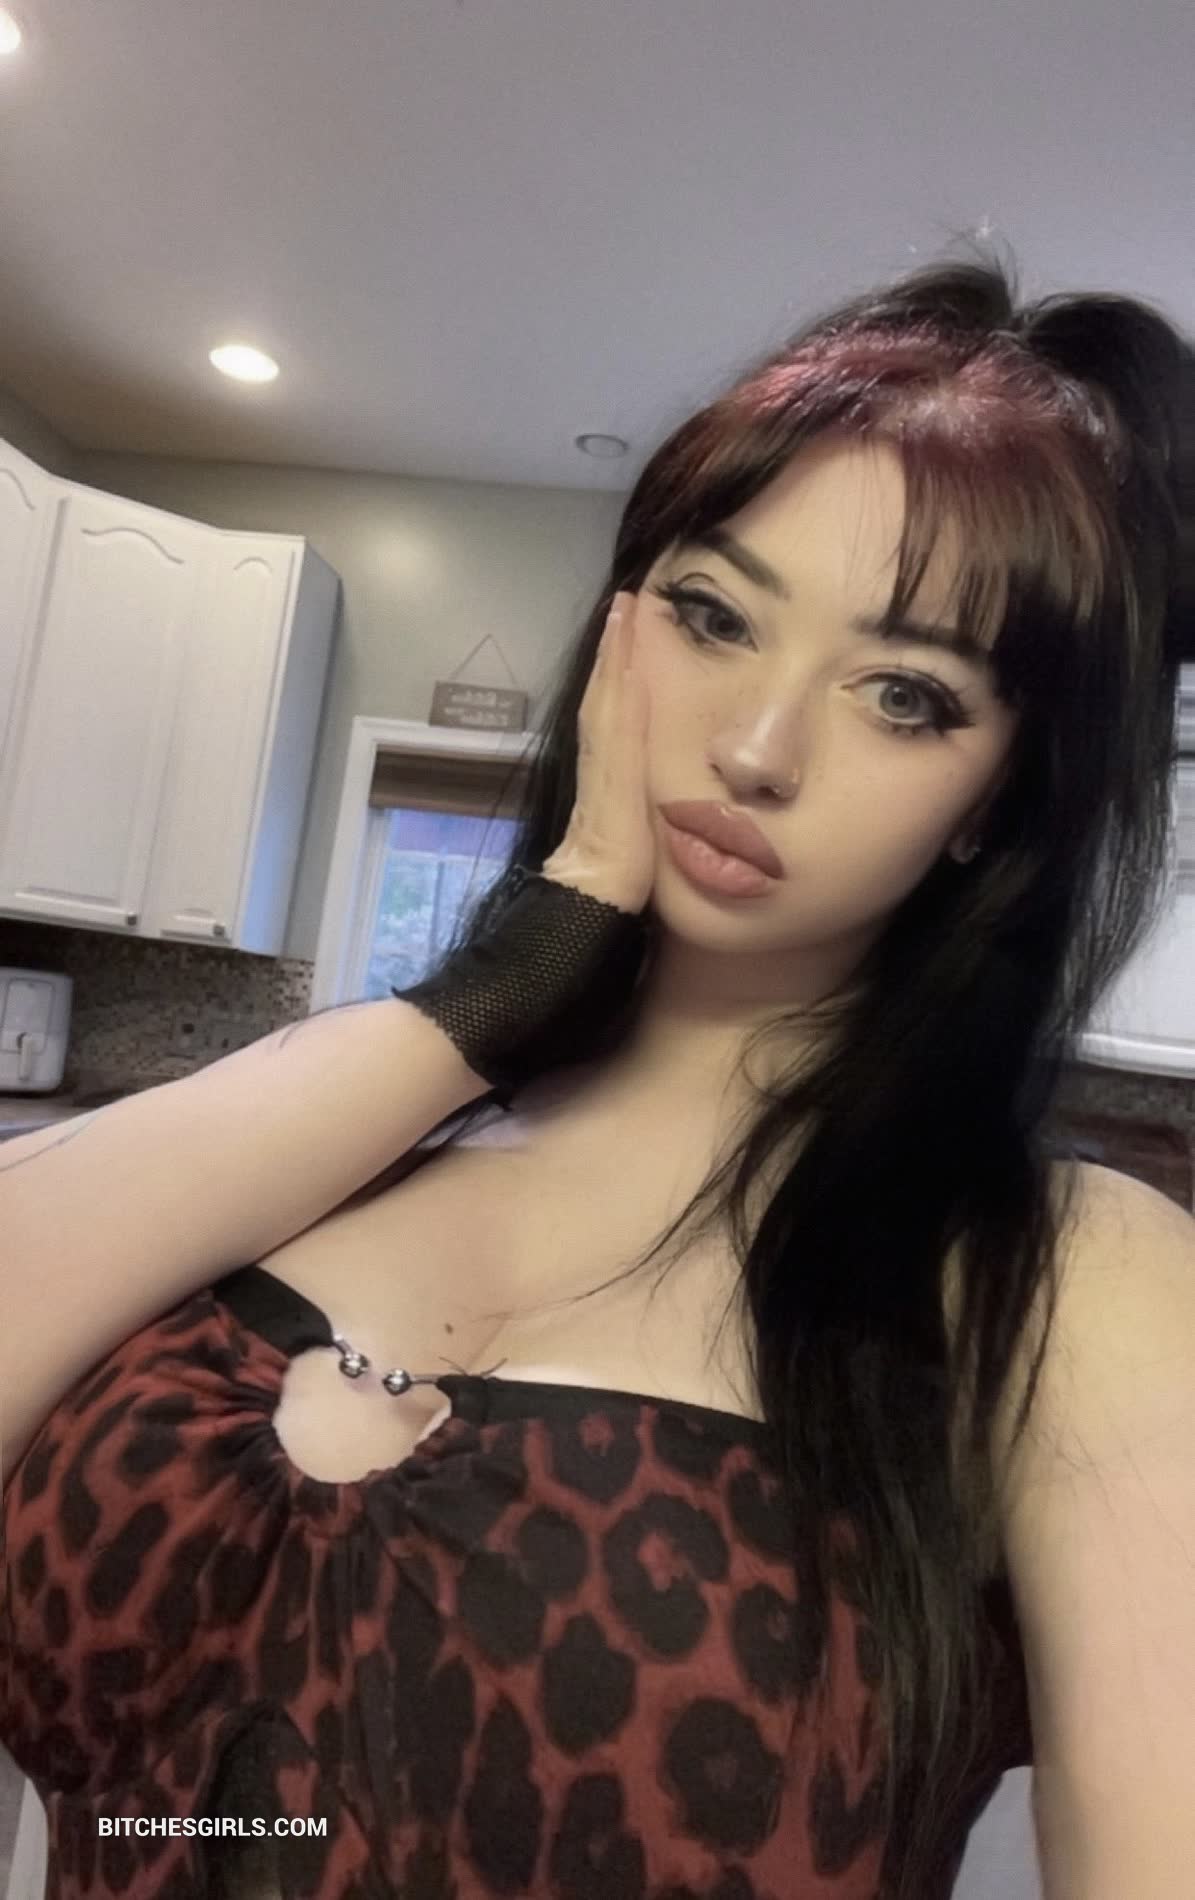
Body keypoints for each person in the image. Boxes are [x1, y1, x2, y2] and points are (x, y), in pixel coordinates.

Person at [2, 240, 1195, 1900]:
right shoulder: (346, 1133)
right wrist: (503, 983)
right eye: (714, 615)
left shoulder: (1069, 1281)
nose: (756, 747)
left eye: (905, 696)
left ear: (1000, 800)